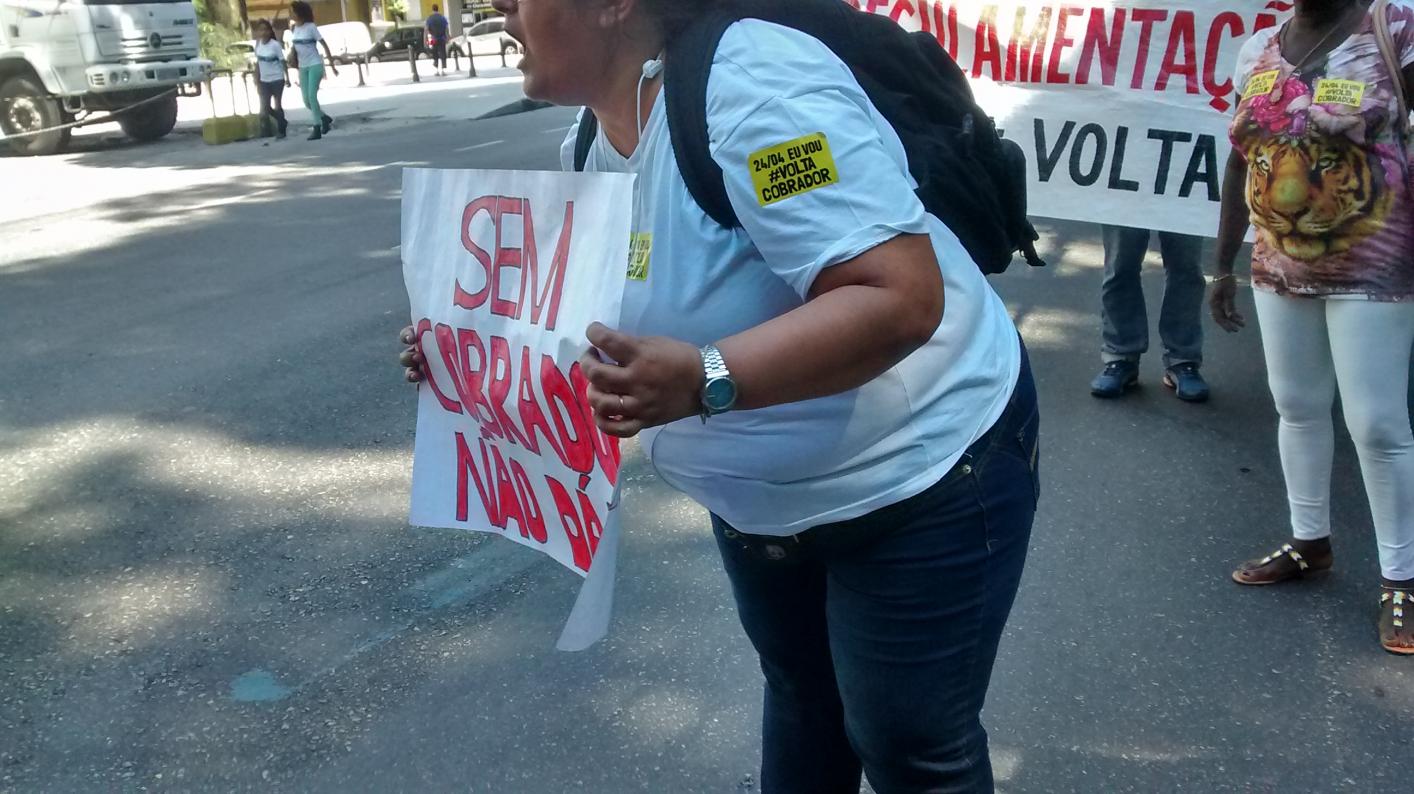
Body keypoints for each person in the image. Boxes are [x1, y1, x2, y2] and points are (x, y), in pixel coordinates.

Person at [399, 0, 1040, 789]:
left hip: (921, 477)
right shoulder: (590, 146)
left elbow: (898, 297)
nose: (496, 5)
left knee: (909, 745)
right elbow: (605, 338)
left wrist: (702, 377)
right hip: (762, 512)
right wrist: (476, 359)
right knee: (805, 703)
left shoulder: (754, 91)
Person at [1213, 0, 1414, 655]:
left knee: (1377, 425)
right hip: (1278, 264)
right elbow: (1241, 160)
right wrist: (1222, 265)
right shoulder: (1258, 50)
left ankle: (1402, 580)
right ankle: (1309, 543)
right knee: (1296, 406)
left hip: (1374, 266)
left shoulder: (1395, 26)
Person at [1089, 226, 1210, 402]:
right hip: (1126, 207)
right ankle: (1121, 357)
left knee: (1186, 268)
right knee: (1119, 266)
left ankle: (1182, 360)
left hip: (1185, 208)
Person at [287, 1, 338, 141]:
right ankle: (324, 118)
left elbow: (324, 45)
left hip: (315, 65)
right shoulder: (294, 28)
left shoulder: (311, 27)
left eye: (293, 11)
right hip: (303, 67)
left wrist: (332, 65)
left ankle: (317, 128)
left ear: (300, 13)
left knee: (312, 97)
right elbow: (295, 48)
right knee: (306, 101)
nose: (291, 14)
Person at [252, 19, 289, 140]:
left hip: (277, 78)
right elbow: (258, 63)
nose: (263, 32)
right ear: (258, 32)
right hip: (264, 80)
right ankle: (282, 121)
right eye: (261, 30)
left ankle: (281, 131)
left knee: (278, 105)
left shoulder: (275, 45)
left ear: (269, 31)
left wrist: (287, 77)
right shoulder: (258, 44)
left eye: (266, 29)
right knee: (265, 107)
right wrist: (256, 78)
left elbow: (282, 61)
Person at [426, 4, 451, 75]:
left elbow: (427, 30)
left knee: (435, 53)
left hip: (433, 39)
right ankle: (443, 70)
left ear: (432, 9)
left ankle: (437, 70)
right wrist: (448, 37)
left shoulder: (429, 18)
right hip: (442, 38)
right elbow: (446, 28)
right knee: (443, 53)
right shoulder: (442, 17)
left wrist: (427, 40)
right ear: (438, 9)